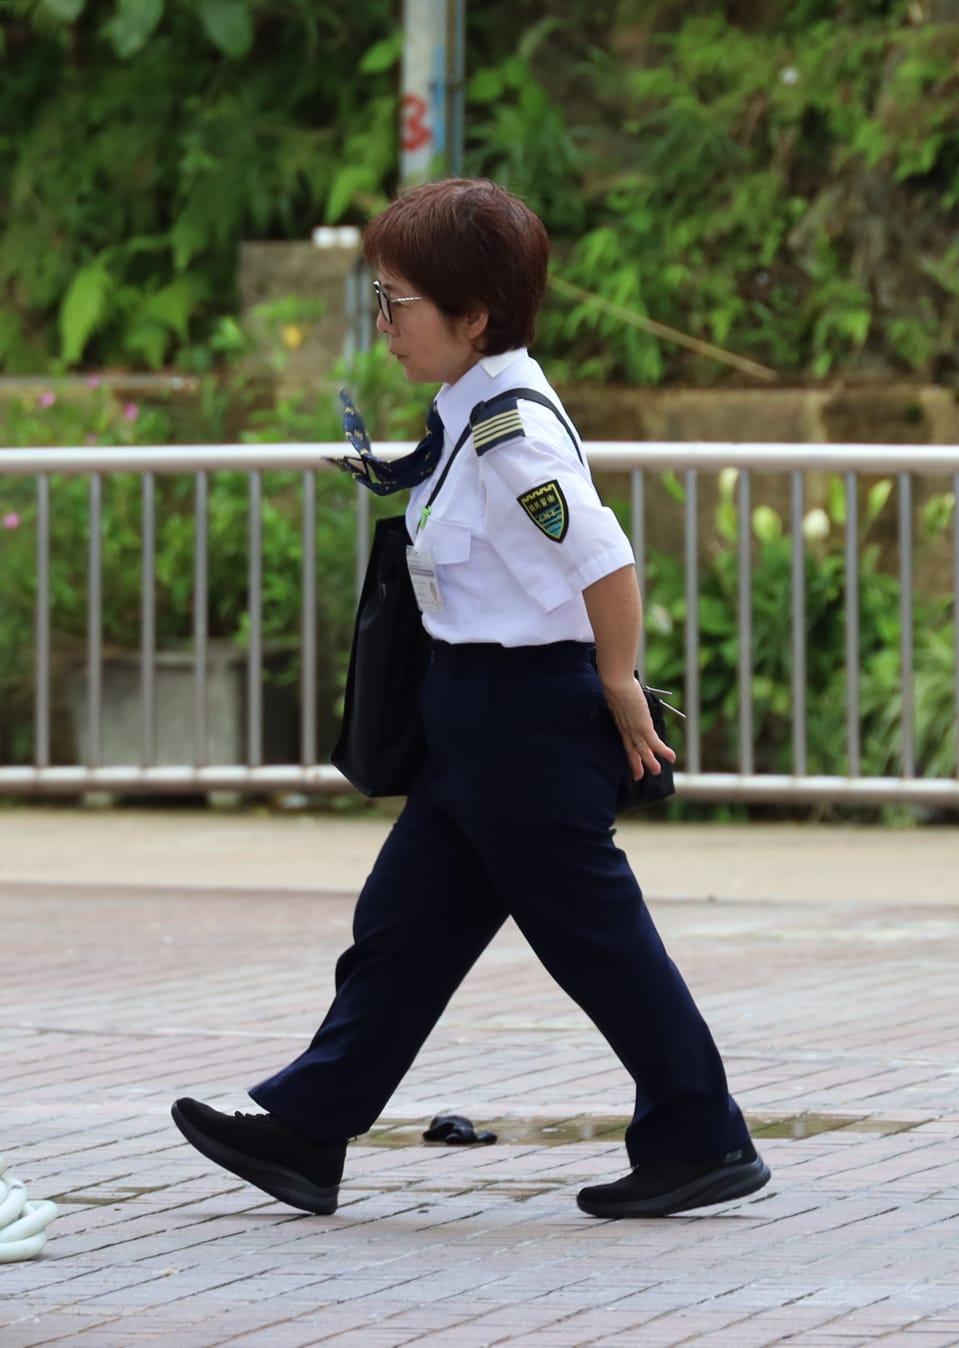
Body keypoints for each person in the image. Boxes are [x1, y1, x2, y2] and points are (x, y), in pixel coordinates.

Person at [169, 178, 769, 1219]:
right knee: (402, 926)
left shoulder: (509, 435)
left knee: (598, 941)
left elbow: (606, 559)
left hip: (525, 720)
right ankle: (311, 1130)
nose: (383, 325)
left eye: (397, 302)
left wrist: (617, 683)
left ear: (473, 317)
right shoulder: (466, 413)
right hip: (474, 715)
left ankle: (702, 1137)